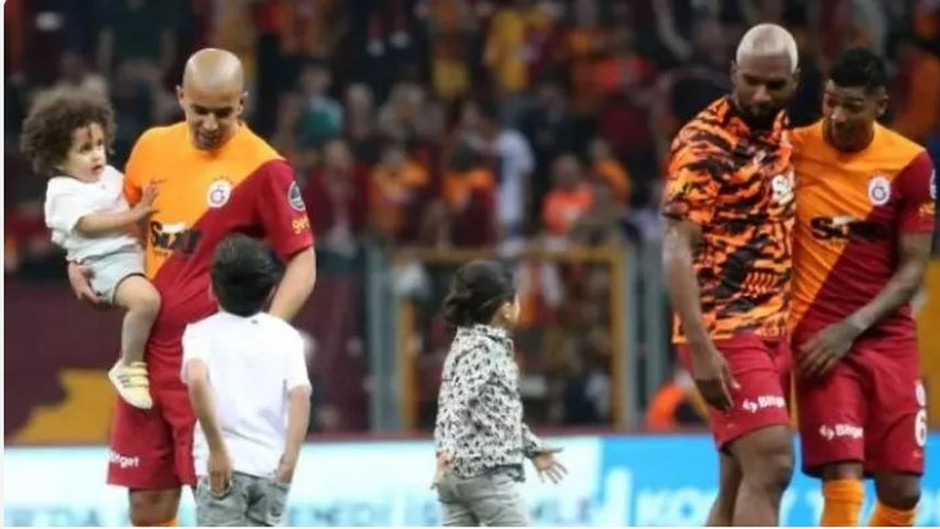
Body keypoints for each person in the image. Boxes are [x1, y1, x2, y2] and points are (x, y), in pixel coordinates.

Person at [67, 48, 317, 526]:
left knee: (218, 499)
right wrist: (80, 262)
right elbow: (122, 226)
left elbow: (304, 260)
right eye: (199, 109)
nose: (209, 123)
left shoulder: (265, 167)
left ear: (242, 103)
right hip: (144, 360)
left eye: (223, 112)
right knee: (146, 507)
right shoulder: (151, 147)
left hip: (210, 367)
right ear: (180, 96)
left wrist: (263, 333)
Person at [790, 47, 936, 527]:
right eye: (830, 101)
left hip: (885, 336)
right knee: (844, 477)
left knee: (903, 491)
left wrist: (851, 328)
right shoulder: (793, 149)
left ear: (880, 105)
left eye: (852, 106)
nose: (837, 115)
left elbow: (912, 270)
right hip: (818, 335)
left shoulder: (910, 163)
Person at [661, 23, 800, 526]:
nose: (761, 95)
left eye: (774, 85)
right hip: (724, 329)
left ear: (794, 82)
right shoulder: (703, 144)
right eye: (750, 81)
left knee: (740, 479)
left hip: (775, 327)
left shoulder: (783, 133)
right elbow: (676, 245)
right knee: (773, 461)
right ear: (732, 73)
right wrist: (700, 347)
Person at [22, 89, 160, 410]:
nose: (97, 155)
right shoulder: (61, 191)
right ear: (58, 158)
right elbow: (88, 224)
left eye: (99, 144)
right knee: (146, 301)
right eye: (84, 149)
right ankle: (129, 365)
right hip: (103, 262)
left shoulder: (110, 175)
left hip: (133, 253)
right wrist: (135, 215)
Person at [182, 234, 311, 526]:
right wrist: (290, 462)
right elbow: (301, 396)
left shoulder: (200, 333)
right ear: (271, 291)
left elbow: (197, 381)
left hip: (223, 468)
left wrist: (217, 449)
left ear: (212, 288)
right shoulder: (287, 336)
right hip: (271, 468)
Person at [432, 260, 567, 526]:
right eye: (516, 299)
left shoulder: (465, 344)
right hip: (485, 474)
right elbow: (456, 402)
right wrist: (444, 449)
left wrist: (533, 449)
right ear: (505, 309)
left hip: (456, 476)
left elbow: (495, 416)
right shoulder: (484, 350)